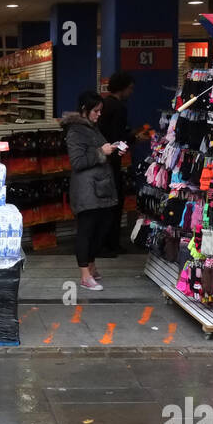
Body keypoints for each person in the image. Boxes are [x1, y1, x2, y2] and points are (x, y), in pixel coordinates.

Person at [63, 91, 118, 291]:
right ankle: (85, 275)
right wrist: (101, 152)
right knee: (86, 231)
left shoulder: (92, 128)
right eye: (96, 111)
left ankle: (91, 266)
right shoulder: (76, 131)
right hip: (87, 190)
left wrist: (111, 150)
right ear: (85, 110)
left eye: (100, 111)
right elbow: (77, 162)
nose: (99, 114)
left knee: (101, 227)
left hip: (100, 188)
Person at [97, 71, 135, 256]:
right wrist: (134, 138)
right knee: (115, 202)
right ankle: (111, 244)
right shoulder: (119, 108)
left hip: (100, 160)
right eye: (130, 88)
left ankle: (103, 243)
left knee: (104, 203)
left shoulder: (103, 105)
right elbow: (118, 137)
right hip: (112, 161)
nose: (131, 92)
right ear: (123, 87)